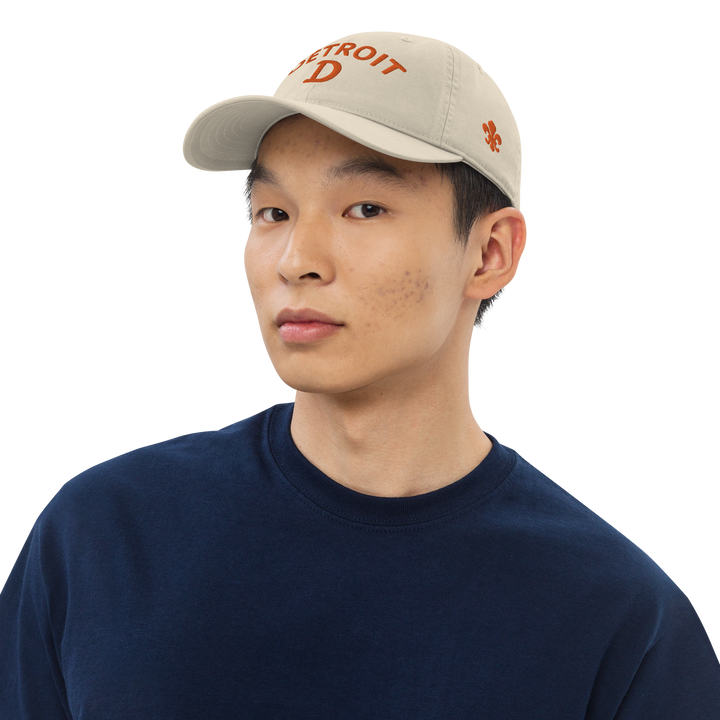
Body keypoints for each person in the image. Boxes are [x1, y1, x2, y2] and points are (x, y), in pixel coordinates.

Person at [2, 29, 718, 718]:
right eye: (273, 212)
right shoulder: (100, 535)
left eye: (364, 208)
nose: (296, 260)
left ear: (491, 253)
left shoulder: (623, 620)